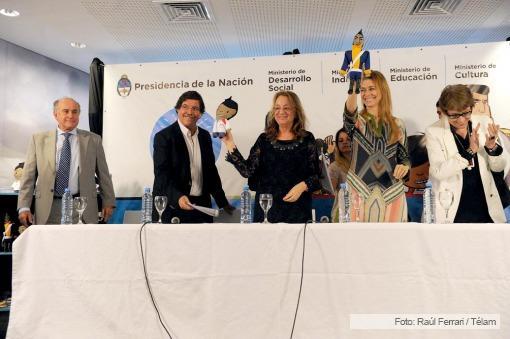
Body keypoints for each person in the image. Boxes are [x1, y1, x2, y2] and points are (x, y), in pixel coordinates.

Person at [222, 90, 321, 223]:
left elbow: (316, 177)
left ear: (296, 111)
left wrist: (302, 186)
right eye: (277, 108)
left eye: (286, 108)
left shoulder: (307, 139)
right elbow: (247, 170)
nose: (281, 112)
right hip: (266, 211)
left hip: (298, 211)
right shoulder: (264, 140)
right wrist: (229, 143)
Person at [17, 97, 116, 225]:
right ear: (55, 114)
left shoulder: (93, 140)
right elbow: (28, 177)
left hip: (82, 208)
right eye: (66, 111)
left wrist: (108, 201)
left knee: (82, 245)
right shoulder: (38, 140)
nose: (71, 115)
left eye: (75, 112)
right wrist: (24, 206)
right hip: (48, 208)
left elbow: (104, 175)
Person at [425, 84, 505, 223]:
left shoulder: (484, 122)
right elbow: (438, 172)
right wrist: (468, 153)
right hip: (454, 208)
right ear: (444, 112)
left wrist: (492, 148)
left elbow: (498, 168)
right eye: (454, 115)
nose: (461, 120)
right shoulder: (434, 131)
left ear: (471, 108)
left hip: (486, 204)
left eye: (465, 113)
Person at [152, 91, 234, 223]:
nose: (189, 112)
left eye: (195, 108)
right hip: (173, 206)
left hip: (201, 207)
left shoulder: (205, 136)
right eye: (185, 106)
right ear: (177, 110)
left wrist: (223, 203)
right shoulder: (164, 137)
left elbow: (211, 172)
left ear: (201, 114)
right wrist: (178, 197)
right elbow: (162, 175)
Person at [344, 70, 410, 222]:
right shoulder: (358, 122)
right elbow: (349, 113)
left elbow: (404, 158)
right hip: (358, 193)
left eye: (372, 88)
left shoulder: (398, 124)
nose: (367, 94)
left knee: (394, 244)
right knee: (355, 244)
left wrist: (405, 167)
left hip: (392, 194)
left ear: (382, 90)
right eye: (363, 90)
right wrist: (353, 88)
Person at [328, 128, 351, 222]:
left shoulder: (363, 164)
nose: (345, 142)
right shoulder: (334, 167)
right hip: (342, 215)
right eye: (341, 141)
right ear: (337, 145)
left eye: (348, 139)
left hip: (360, 212)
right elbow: (331, 190)